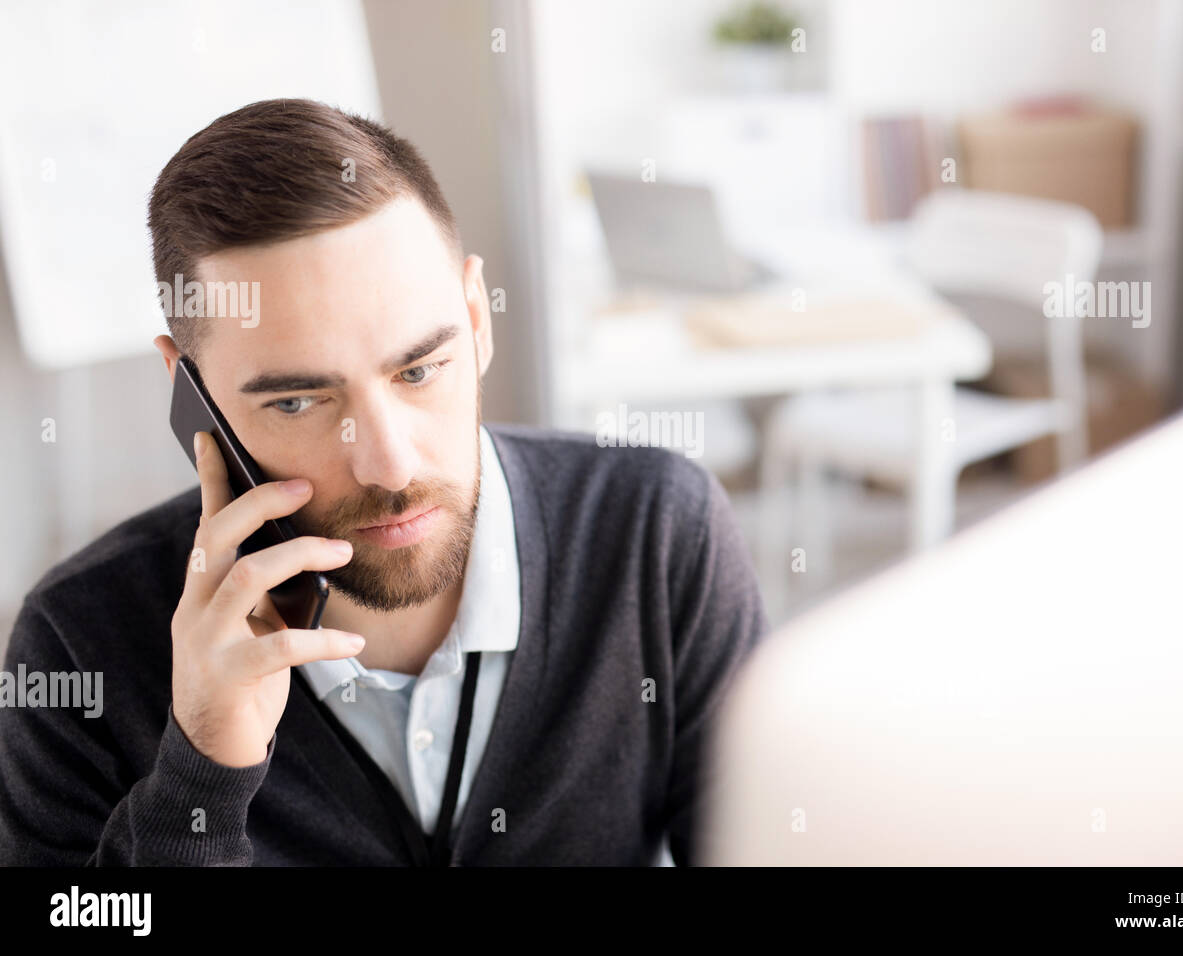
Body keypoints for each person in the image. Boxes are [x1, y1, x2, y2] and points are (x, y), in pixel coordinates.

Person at [0, 98, 768, 865]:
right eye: (298, 401)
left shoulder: (657, 533)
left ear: (476, 317)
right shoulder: (77, 645)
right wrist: (203, 774)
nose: (390, 464)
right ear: (188, 393)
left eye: (420, 369)